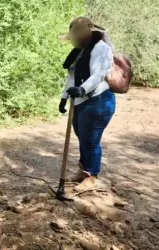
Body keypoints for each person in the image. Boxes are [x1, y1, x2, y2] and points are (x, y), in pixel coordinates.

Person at [59, 17, 115, 192]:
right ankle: (83, 171)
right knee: (82, 135)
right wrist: (64, 98)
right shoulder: (80, 51)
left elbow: (98, 75)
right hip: (81, 102)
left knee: (90, 140)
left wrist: (82, 89)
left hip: (99, 101)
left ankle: (92, 177)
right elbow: (71, 76)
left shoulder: (102, 49)